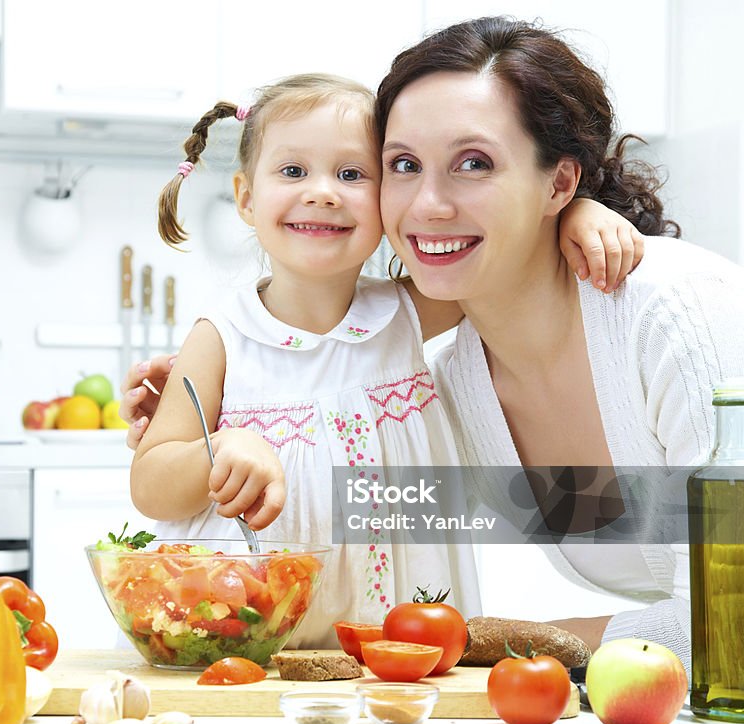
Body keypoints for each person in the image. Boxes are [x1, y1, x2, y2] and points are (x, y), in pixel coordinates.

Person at [124, 17, 744, 671]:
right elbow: (360, 496)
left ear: (560, 182)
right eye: (404, 165)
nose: (429, 202)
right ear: (245, 198)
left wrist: (476, 641)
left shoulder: (672, 312)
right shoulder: (458, 378)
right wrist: (215, 440)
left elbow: (726, 622)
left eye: (473, 163)